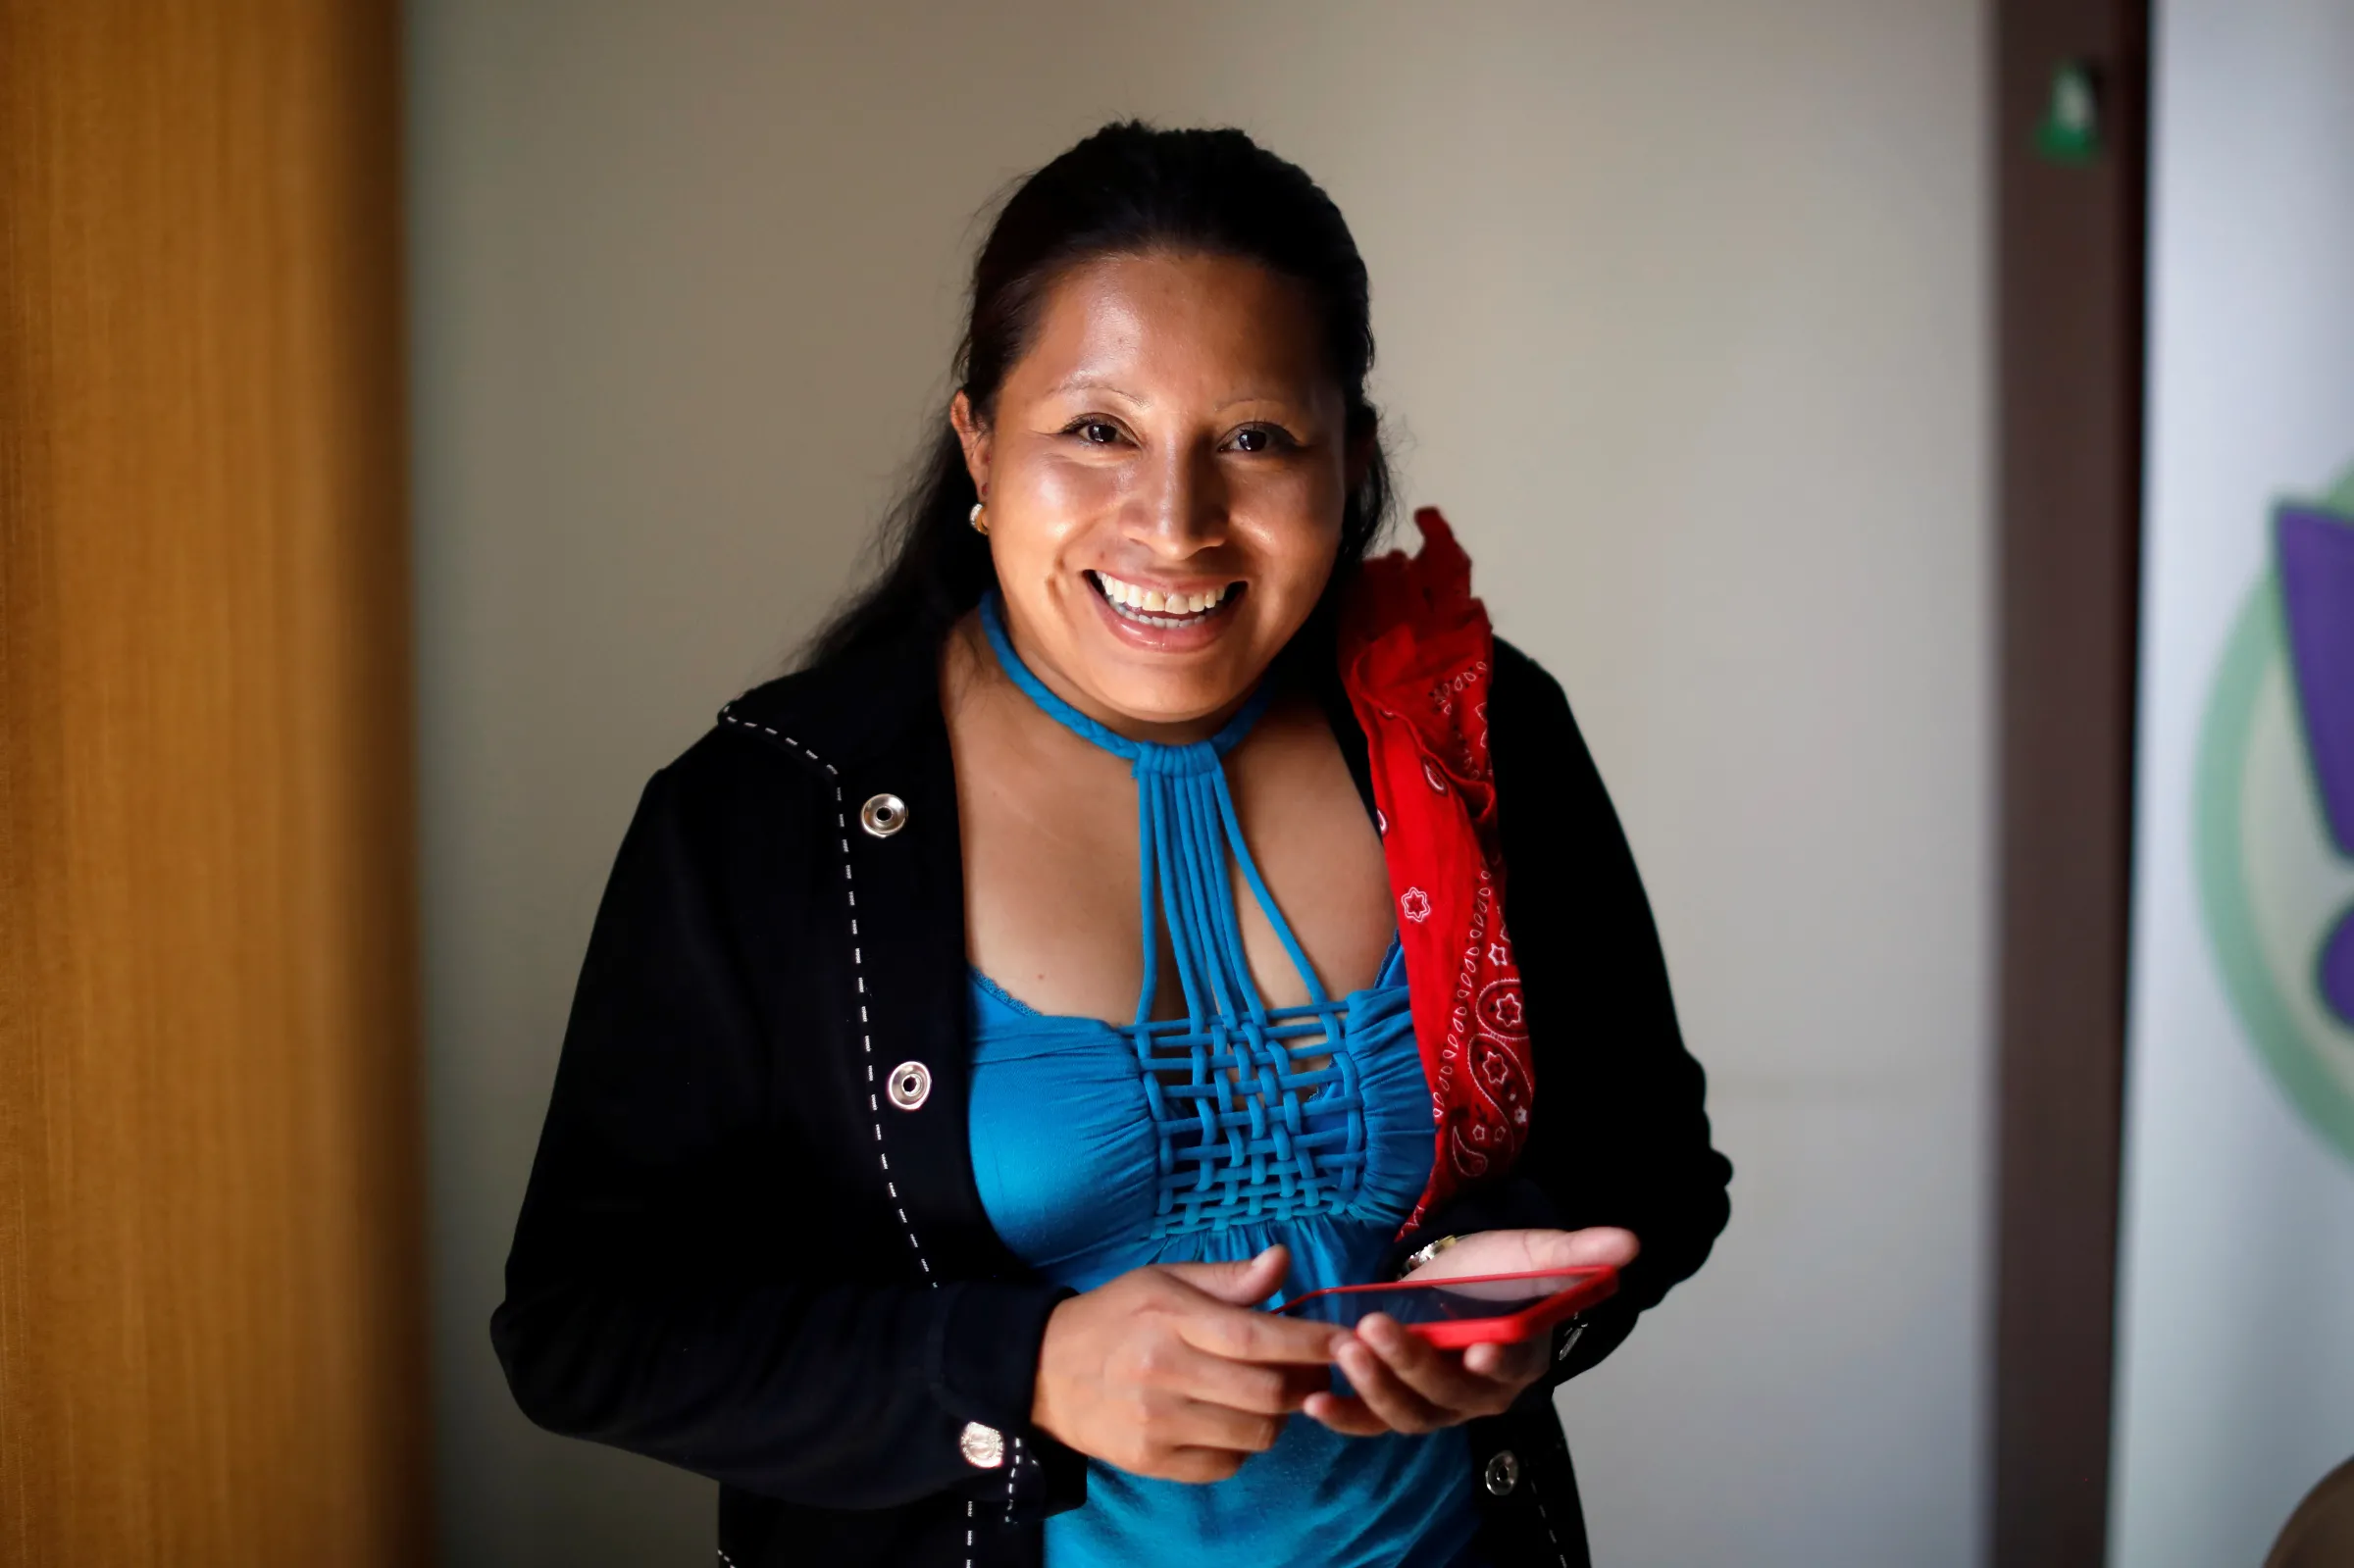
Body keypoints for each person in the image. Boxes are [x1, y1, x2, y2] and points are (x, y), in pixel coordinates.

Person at [491, 121, 1731, 1568]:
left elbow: (1652, 1162)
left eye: (1255, 440)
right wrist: (1021, 1370)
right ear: (980, 442)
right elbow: (583, 1324)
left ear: (1353, 462)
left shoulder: (1476, 731)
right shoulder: (771, 810)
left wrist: (1515, 1297)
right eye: (1098, 430)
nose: (1175, 523)